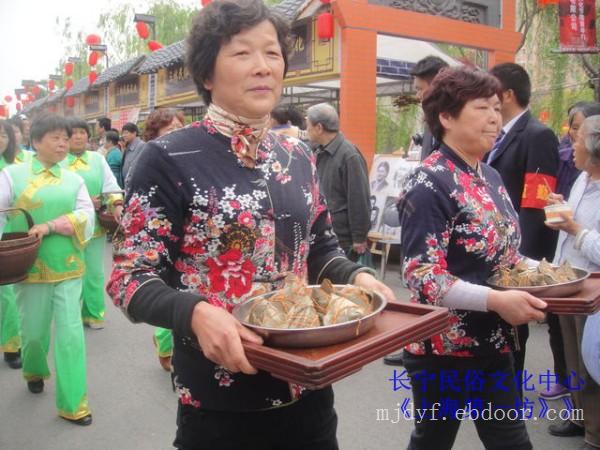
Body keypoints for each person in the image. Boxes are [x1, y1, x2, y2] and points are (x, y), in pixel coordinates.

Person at [107, 2, 394, 448]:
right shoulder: (167, 158)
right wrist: (196, 313)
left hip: (311, 386)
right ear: (206, 74)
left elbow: (320, 248)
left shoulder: (297, 155)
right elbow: (129, 278)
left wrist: (356, 276)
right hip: (219, 404)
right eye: (242, 54)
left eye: (272, 53)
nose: (262, 67)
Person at [398, 66, 547, 450]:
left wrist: (559, 277)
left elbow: (508, 256)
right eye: (482, 107)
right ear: (446, 117)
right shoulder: (429, 182)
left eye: (497, 107)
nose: (495, 117)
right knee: (433, 441)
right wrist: (496, 300)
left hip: (496, 342)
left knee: (512, 442)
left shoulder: (491, 178)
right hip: (443, 349)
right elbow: (423, 276)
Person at [0, 113, 95, 425]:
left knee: (70, 335)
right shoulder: (12, 175)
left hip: (68, 267)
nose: (62, 144)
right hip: (28, 267)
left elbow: (86, 214)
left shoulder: (74, 179)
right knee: (35, 333)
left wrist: (53, 225)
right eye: (55, 138)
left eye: (65, 138)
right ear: (36, 141)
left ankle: (73, 403)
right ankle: (35, 370)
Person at [487, 62, 560, 398]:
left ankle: (508, 399)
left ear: (507, 94)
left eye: (491, 92)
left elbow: (535, 206)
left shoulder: (537, 135)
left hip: (517, 255)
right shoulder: (496, 136)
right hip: (494, 249)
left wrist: (522, 266)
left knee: (515, 330)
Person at [544, 115, 600, 450]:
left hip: (593, 291)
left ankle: (595, 435)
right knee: (572, 356)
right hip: (569, 281)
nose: (570, 146)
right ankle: (579, 416)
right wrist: (562, 211)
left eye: (576, 140)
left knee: (592, 363)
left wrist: (574, 229)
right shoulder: (582, 179)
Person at [64, 118, 123, 329]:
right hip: (67, 228)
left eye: (82, 132)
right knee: (70, 271)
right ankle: (69, 315)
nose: (78, 136)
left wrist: (116, 204)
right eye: (73, 133)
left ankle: (93, 313)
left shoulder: (98, 160)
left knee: (94, 272)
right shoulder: (58, 161)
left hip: (94, 227)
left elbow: (111, 185)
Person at [141, 108, 186, 372]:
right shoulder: (151, 162)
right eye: (170, 129)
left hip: (190, 240)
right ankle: (165, 347)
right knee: (167, 291)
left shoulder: (195, 158)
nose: (177, 134)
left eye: (180, 127)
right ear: (155, 134)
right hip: (162, 237)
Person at [306, 103, 371, 262]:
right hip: (323, 234)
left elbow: (359, 198)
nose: (305, 129)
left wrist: (359, 237)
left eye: (307, 125)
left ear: (319, 128)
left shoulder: (349, 155)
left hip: (343, 239)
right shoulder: (320, 151)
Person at [0, 120, 30, 369]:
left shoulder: (16, 167)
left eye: (3, 135)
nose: (0, 139)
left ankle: (12, 345)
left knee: (7, 294)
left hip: (9, 235)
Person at [557, 102, 600, 200]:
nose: (579, 134)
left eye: (585, 129)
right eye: (575, 128)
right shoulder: (561, 159)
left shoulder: (592, 174)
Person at [410, 55, 449, 161]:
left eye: (419, 89)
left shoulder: (453, 125)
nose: (418, 96)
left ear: (436, 87)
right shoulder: (430, 121)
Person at [120, 122, 144, 188]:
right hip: (127, 185)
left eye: (126, 133)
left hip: (135, 185)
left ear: (134, 133)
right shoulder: (128, 146)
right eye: (123, 133)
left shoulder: (141, 146)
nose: (124, 135)